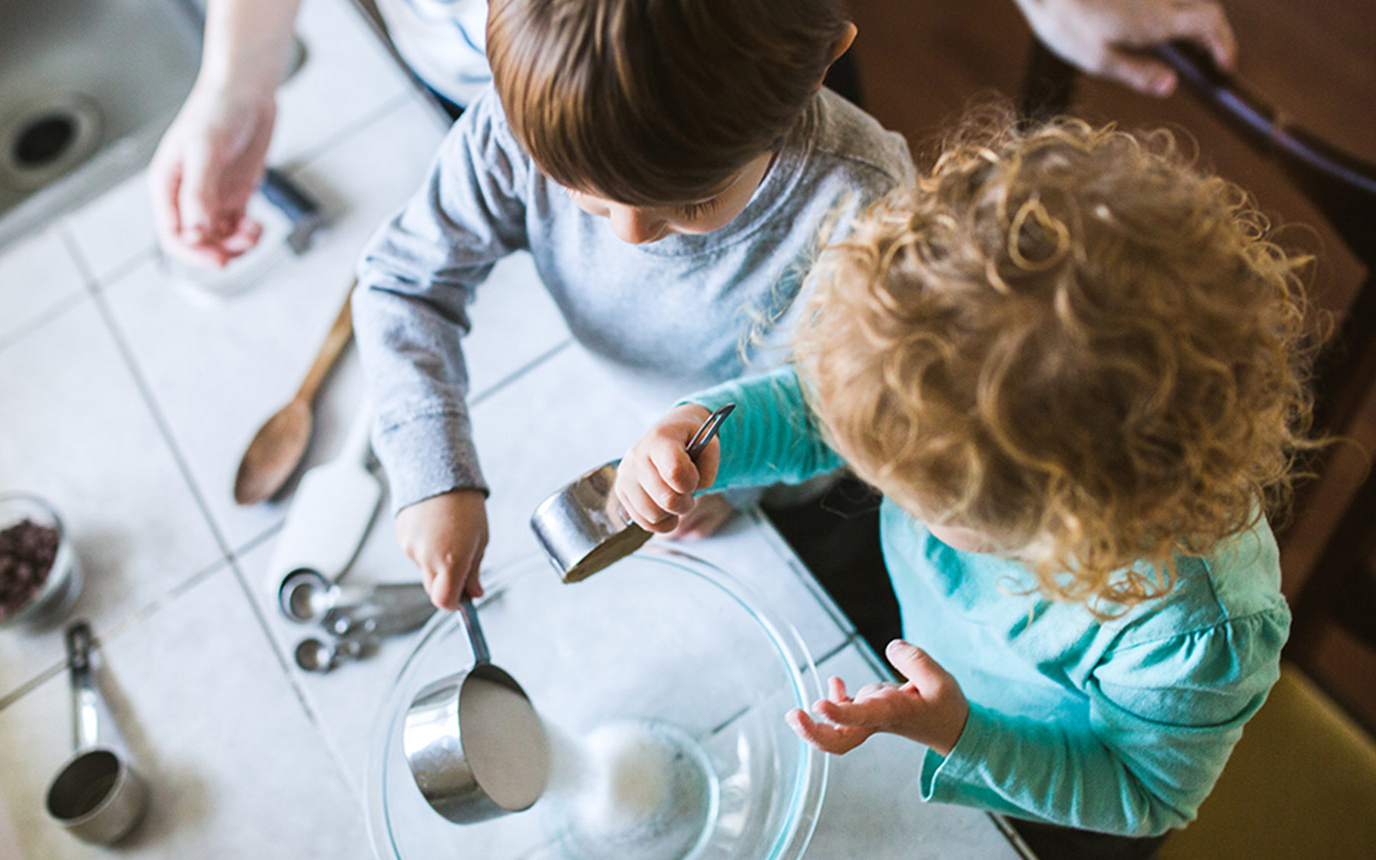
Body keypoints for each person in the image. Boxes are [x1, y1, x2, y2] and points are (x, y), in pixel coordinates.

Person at [611, 117, 1312, 856]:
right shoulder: (949, 399)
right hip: (932, 657)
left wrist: (959, 732)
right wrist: (702, 429)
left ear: (1065, 524)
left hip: (1043, 803)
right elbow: (821, 410)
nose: (882, 487)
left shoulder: (1196, 634)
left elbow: (1143, 792)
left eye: (912, 496)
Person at [353, 0, 914, 610]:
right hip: (643, 424)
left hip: (797, 488)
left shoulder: (866, 201)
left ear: (823, 60)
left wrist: (733, 471)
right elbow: (404, 283)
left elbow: (858, 401)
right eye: (584, 196)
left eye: (692, 203)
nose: (630, 234)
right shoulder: (523, 123)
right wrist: (433, 473)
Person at [148, 0, 1238, 269]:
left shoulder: (829, 158)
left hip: (705, 53)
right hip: (475, 74)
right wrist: (238, 79)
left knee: (787, 266)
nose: (624, 234)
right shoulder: (507, 121)